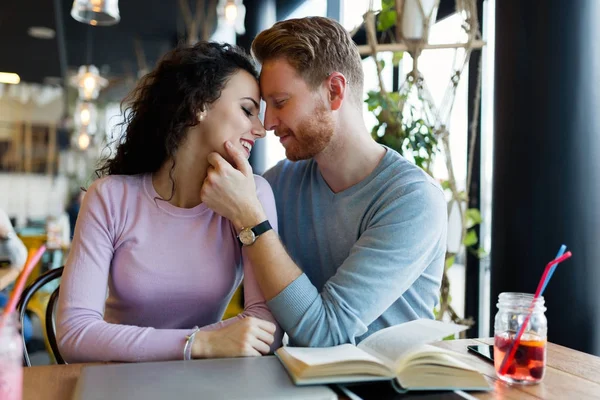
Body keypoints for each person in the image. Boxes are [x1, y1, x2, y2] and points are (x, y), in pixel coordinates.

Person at [200, 17, 447, 347]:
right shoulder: (278, 184)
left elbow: (327, 332)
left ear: (334, 91)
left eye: (281, 102)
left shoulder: (412, 199)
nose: (268, 123)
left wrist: (251, 220)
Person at [56, 42, 282, 363]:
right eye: (247, 110)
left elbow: (266, 328)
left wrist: (203, 344)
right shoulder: (109, 197)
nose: (261, 130)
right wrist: (200, 343)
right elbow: (75, 333)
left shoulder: (253, 194)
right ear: (199, 105)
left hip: (204, 382)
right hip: (119, 381)